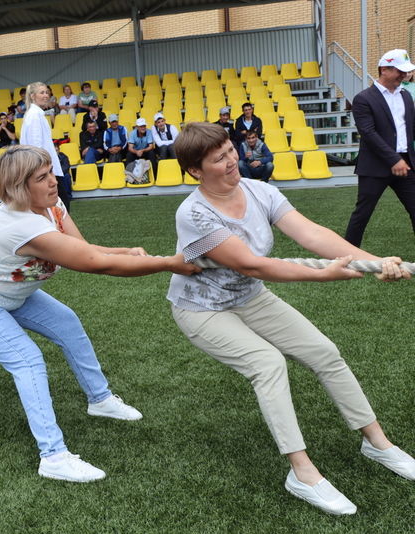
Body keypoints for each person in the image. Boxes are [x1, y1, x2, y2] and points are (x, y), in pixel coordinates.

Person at [168, 121, 415, 515]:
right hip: (203, 309)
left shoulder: (259, 190)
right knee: (267, 364)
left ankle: (377, 443)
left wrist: (374, 261)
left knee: (324, 352)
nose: (233, 160)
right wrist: (324, 274)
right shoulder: (194, 214)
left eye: (230, 150)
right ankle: (302, 473)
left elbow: (311, 234)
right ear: (196, 170)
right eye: (219, 158)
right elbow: (254, 266)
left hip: (250, 299)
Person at [0, 145, 199, 482]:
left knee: (67, 323)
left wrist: (124, 251)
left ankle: (100, 399)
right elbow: (95, 265)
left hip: (11, 295)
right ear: (19, 187)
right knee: (28, 361)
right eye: (42, 177)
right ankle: (53, 457)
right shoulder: (19, 224)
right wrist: (169, 262)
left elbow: (84, 249)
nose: (53, 181)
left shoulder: (52, 205)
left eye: (51, 173)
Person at [345, 49, 415, 247]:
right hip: (376, 167)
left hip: (406, 165)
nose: (404, 75)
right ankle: (348, 254)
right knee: (363, 213)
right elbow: (368, 133)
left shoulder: (406, 97)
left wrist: (401, 160)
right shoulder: (363, 99)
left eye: (406, 71)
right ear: (384, 69)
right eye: (400, 71)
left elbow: (411, 128)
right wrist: (394, 159)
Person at [20, 82, 72, 211]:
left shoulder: (35, 114)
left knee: (59, 206)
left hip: (46, 168)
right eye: (42, 92)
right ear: (32, 96)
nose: (46, 95)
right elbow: (36, 146)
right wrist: (45, 171)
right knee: (61, 206)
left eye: (47, 92)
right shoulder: (34, 115)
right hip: (46, 169)